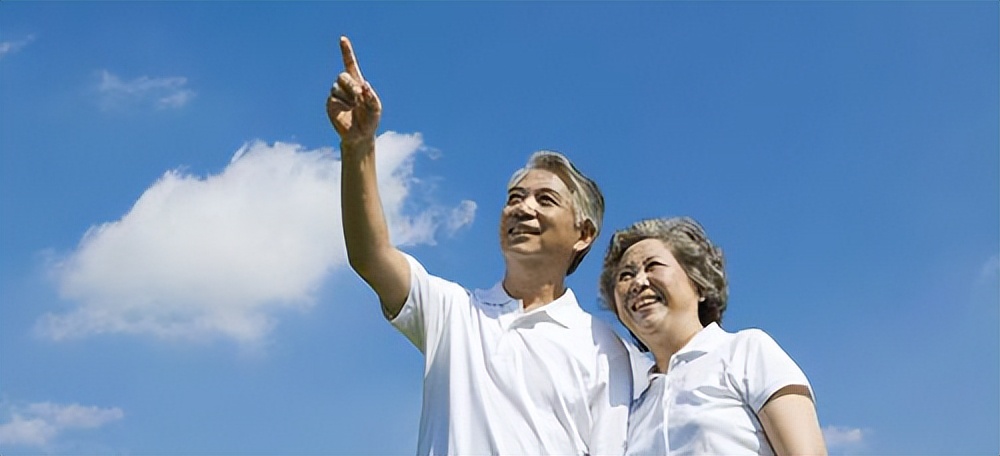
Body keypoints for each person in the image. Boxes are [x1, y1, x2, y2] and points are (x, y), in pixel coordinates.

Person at [327, 36, 632, 455]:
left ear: (583, 234)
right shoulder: (453, 312)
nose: (522, 208)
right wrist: (358, 148)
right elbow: (371, 256)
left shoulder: (605, 347)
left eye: (545, 200)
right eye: (513, 198)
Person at [598, 217, 827, 455]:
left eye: (653, 266)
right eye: (625, 275)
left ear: (698, 284)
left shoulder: (746, 351)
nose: (638, 282)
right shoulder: (632, 409)